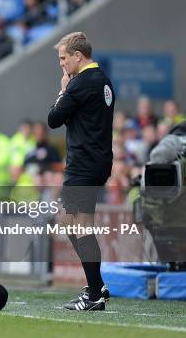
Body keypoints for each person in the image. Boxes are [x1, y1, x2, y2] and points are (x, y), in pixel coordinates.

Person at [48, 32, 113, 311]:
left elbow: (53, 119)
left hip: (83, 164)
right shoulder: (104, 80)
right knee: (68, 220)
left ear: (78, 56)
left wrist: (63, 89)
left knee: (78, 224)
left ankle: (96, 292)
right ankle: (96, 284)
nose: (62, 64)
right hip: (96, 161)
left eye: (64, 58)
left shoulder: (80, 83)